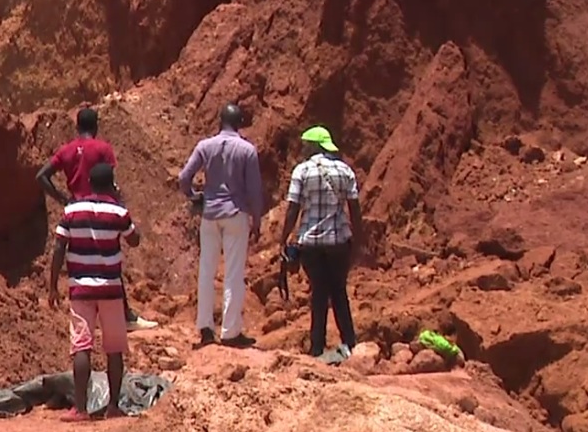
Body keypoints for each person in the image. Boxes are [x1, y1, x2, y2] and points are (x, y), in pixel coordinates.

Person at [36, 107, 158, 331]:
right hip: (102, 209)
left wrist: (64, 199)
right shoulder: (103, 149)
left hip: (76, 212)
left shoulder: (66, 150)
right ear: (96, 126)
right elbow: (108, 178)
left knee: (79, 261)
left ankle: (87, 315)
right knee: (109, 263)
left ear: (77, 126)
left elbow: (41, 176)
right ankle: (123, 315)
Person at [46, 162, 141, 422]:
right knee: (114, 348)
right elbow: (135, 239)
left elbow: (59, 248)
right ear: (111, 184)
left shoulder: (72, 210)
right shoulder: (118, 212)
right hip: (111, 287)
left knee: (82, 346)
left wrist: (53, 285)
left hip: (80, 288)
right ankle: (113, 407)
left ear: (89, 181)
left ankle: (81, 408)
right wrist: (120, 202)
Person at [177, 103, 264, 348]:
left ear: (220, 122)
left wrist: (194, 195)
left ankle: (205, 328)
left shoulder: (205, 146)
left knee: (207, 270)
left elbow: (184, 178)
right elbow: (254, 189)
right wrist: (256, 219)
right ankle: (230, 331)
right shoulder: (247, 150)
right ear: (240, 123)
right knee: (233, 273)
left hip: (210, 212)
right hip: (236, 212)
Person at [278, 125, 361, 359]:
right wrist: (359, 240)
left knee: (319, 292)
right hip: (339, 241)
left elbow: (293, 208)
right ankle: (349, 343)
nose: (304, 149)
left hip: (311, 243)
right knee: (339, 291)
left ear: (313, 146)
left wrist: (283, 238)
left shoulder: (301, 171)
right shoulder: (345, 171)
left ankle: (317, 347)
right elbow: (354, 208)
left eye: (306, 145)